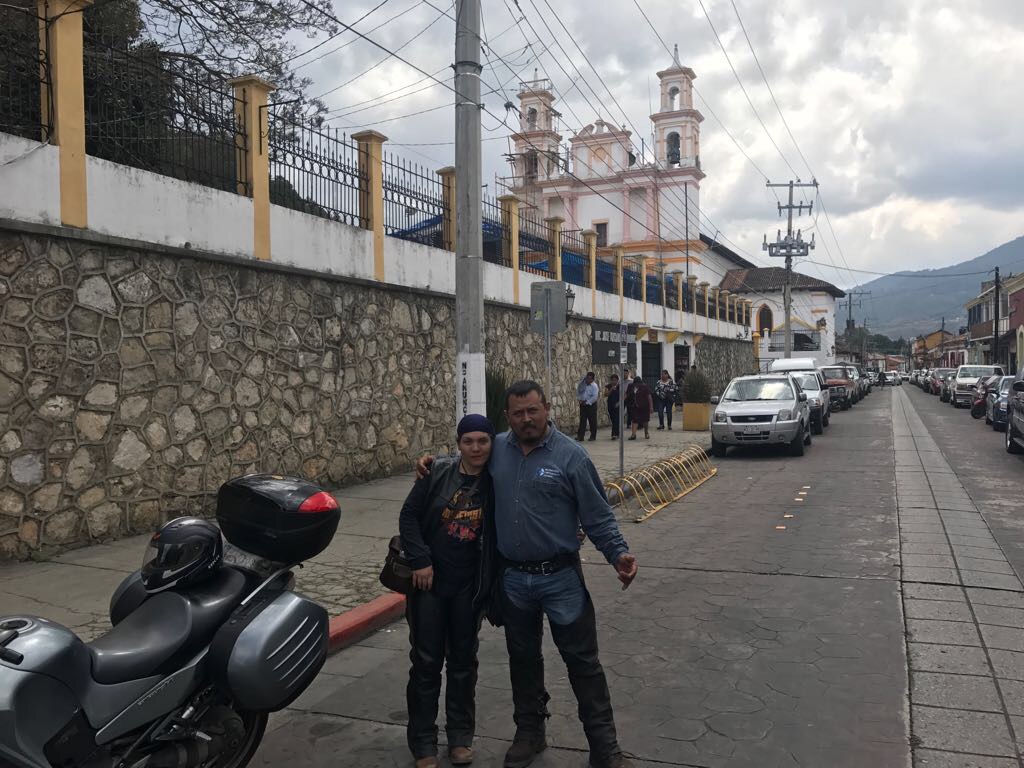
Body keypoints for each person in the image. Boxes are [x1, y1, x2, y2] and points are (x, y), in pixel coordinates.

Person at [416, 381, 638, 768]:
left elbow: (598, 516)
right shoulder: (497, 448)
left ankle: (605, 747)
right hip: (514, 580)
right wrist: (429, 462)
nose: (527, 419)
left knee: (583, 663)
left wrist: (618, 554)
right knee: (523, 661)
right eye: (518, 413)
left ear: (547, 408)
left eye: (533, 410)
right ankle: (529, 733)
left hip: (561, 577)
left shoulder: (572, 457)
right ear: (508, 417)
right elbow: (465, 461)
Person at [399, 414, 498, 768]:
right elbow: (409, 516)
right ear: (458, 444)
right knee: (425, 663)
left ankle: (460, 737)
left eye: (482, 441)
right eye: (468, 441)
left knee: (462, 662)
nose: (475, 448)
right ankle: (423, 742)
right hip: (429, 584)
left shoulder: (497, 479)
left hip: (468, 587)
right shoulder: (437, 472)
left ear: (491, 443)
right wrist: (420, 559)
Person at [575, 372, 599, 442]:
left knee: (592, 421)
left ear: (592, 379)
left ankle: (593, 436)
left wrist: (587, 402)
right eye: (587, 378)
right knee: (582, 421)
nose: (588, 380)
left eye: (589, 379)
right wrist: (579, 399)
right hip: (582, 404)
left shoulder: (594, 386)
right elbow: (579, 391)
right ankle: (580, 436)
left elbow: (595, 397)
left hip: (591, 405)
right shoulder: (582, 384)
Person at [603, 374, 621, 440]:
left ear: (617, 380)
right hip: (610, 404)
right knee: (613, 419)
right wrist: (611, 389)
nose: (614, 382)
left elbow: (623, 395)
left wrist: (619, 403)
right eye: (612, 380)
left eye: (615, 380)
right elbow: (605, 394)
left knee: (617, 419)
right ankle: (617, 433)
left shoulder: (620, 386)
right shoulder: (608, 386)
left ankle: (614, 434)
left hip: (618, 404)